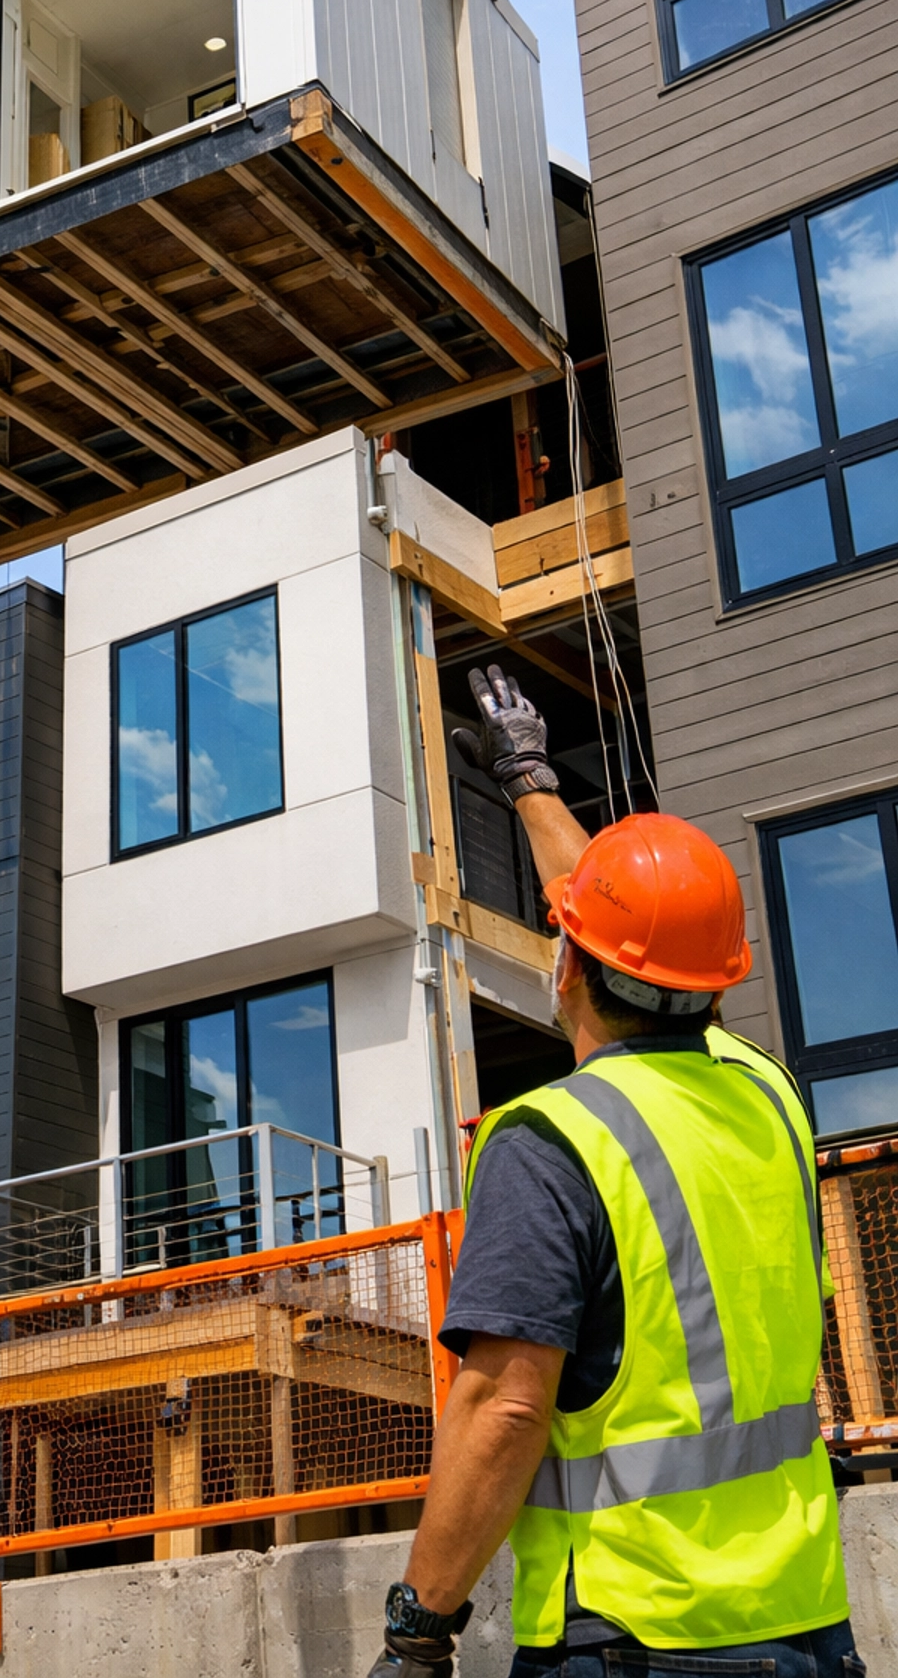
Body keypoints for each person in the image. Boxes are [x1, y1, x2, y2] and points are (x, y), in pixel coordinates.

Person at [369, 668, 863, 1678]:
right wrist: (530, 779)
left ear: (567, 967)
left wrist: (420, 1630)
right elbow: (632, 930)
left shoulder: (550, 1139)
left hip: (636, 1637)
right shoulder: (766, 1089)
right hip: (807, 1620)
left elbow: (505, 1408)